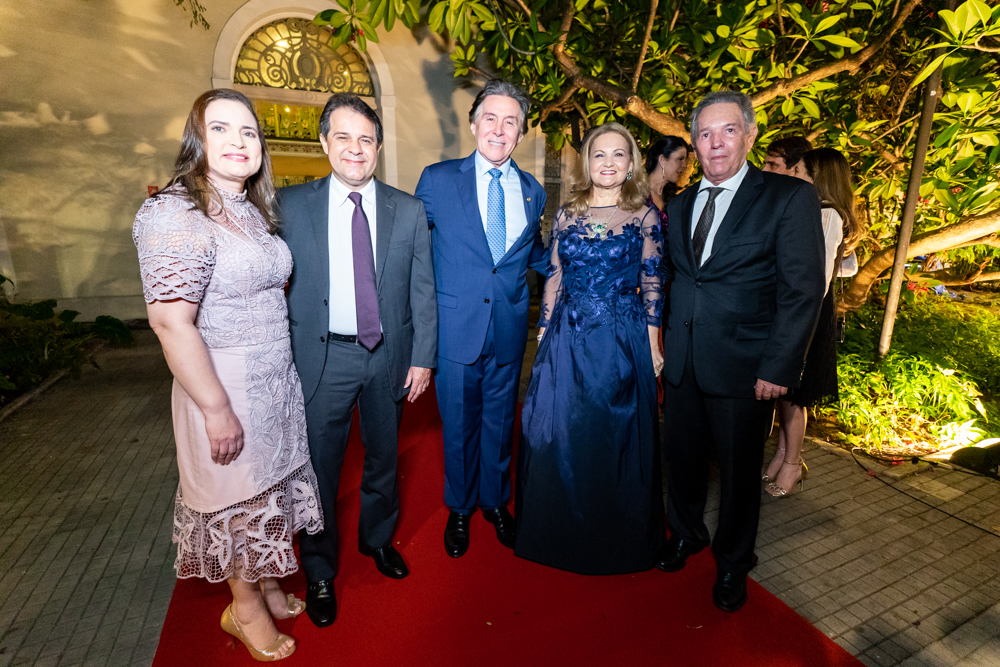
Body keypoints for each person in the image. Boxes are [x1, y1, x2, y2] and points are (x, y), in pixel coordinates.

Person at [133, 88, 323, 661]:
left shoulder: (246, 207)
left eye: (249, 131)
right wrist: (215, 408)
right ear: (197, 140)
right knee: (238, 505)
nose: (238, 141)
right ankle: (243, 609)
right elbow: (170, 322)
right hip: (223, 385)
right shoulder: (174, 212)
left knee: (268, 493)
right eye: (221, 129)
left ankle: (267, 584)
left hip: (273, 381)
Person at [659, 91, 826, 612]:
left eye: (728, 130)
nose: (715, 143)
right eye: (705, 134)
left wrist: (779, 367)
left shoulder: (787, 198)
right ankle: (687, 534)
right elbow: (679, 280)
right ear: (695, 142)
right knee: (681, 462)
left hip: (746, 369)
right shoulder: (681, 203)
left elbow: (802, 290)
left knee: (736, 476)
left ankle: (734, 564)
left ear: (749, 135)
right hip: (684, 361)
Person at [277, 93, 437, 628]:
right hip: (322, 361)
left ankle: (377, 542)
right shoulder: (289, 206)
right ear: (324, 143)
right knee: (319, 470)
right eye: (342, 137)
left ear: (378, 147)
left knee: (384, 460)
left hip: (389, 356)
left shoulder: (408, 209)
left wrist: (423, 357)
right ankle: (319, 569)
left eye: (365, 139)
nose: (355, 148)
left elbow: (423, 289)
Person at [515, 122, 666, 574]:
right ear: (587, 161)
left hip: (619, 335)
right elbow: (556, 275)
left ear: (631, 163)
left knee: (610, 431)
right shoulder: (568, 211)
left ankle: (611, 534)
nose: (608, 163)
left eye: (618, 155)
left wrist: (654, 343)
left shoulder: (644, 214)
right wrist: (543, 329)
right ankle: (559, 530)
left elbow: (653, 280)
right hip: (567, 333)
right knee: (557, 428)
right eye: (599, 154)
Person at [415, 79, 547, 558]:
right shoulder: (437, 179)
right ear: (473, 125)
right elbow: (413, 254)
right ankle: (459, 508)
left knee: (499, 422)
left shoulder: (533, 191)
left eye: (510, 121)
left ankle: (495, 503)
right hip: (455, 331)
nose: (499, 129)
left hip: (510, 330)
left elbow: (531, 254)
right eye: (490, 118)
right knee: (459, 424)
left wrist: (583, 262)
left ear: (521, 132)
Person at [764, 148, 863, 496]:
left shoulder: (827, 214)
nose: (794, 176)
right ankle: (781, 455)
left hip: (806, 314)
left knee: (794, 394)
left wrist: (796, 323)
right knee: (783, 393)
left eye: (800, 171)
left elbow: (817, 280)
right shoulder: (813, 210)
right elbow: (845, 266)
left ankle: (792, 463)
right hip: (795, 310)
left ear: (818, 177)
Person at [645, 135, 691, 216]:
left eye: (685, 160)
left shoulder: (674, 201)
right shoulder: (634, 193)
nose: (684, 165)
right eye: (680, 159)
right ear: (662, 160)